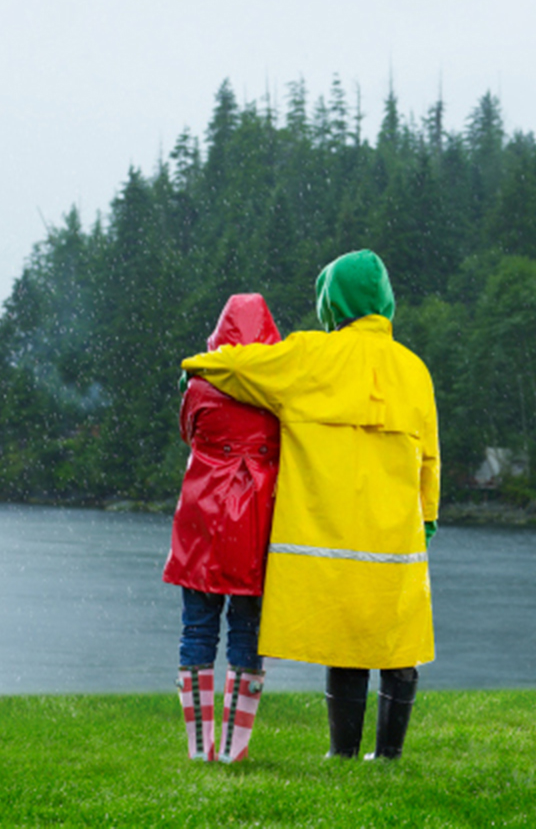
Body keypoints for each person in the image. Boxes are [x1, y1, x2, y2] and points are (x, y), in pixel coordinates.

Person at [181, 249, 439, 760]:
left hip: (334, 537)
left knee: (346, 645)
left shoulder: (312, 358)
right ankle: (388, 755)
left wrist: (196, 365)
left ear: (332, 303)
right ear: (385, 301)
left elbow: (241, 365)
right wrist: (427, 518)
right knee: (396, 645)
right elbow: (430, 458)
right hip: (398, 539)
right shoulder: (415, 370)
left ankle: (342, 753)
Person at [163, 293, 281, 762]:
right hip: (256, 521)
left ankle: (198, 748)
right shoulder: (278, 390)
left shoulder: (198, 385)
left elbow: (188, 433)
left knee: (197, 629)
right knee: (248, 631)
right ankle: (234, 748)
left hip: (201, 521)